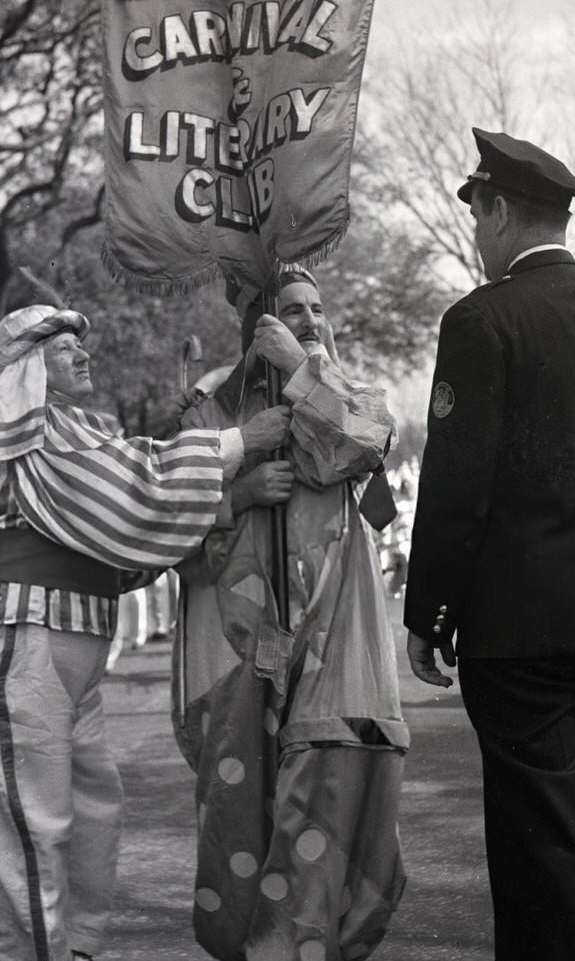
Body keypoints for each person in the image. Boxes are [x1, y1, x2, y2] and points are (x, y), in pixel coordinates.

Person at [0, 303, 290, 961]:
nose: (82, 353)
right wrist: (240, 442)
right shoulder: (26, 425)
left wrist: (229, 497)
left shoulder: (63, 428)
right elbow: (135, 484)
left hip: (54, 639)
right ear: (22, 368)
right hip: (18, 633)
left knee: (94, 809)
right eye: (63, 345)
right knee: (33, 827)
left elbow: (126, 541)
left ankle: (76, 948)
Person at [405, 129, 575, 961]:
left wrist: (429, 612)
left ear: (496, 212)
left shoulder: (481, 320)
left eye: (477, 214)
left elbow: (458, 488)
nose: (476, 235)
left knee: (540, 855)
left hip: (522, 632)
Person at [173, 267, 406, 961]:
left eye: (317, 309)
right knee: (248, 825)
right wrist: (239, 495)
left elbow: (366, 442)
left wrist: (300, 368)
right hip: (241, 662)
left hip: (335, 655)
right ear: (255, 328)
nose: (309, 320)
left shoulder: (347, 392)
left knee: (329, 809)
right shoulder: (210, 410)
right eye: (291, 311)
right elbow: (172, 535)